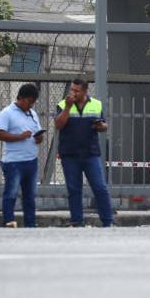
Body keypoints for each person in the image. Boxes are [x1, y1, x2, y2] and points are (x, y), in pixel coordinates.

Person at [55, 78, 113, 227]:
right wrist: (68, 108)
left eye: (77, 91)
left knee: (100, 187)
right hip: (70, 155)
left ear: (85, 91)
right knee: (74, 189)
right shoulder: (63, 104)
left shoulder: (96, 104)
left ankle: (108, 222)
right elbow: (59, 125)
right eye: (72, 89)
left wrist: (101, 126)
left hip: (90, 154)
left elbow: (104, 125)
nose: (73, 93)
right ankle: (76, 221)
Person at [0, 84, 44, 228]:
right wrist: (19, 137)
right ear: (20, 97)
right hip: (14, 162)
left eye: (33, 102)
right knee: (11, 193)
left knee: (30, 195)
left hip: (31, 161)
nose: (31, 105)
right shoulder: (7, 113)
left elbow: (38, 134)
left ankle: (30, 223)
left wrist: (39, 138)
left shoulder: (32, 114)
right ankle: (9, 222)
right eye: (29, 101)